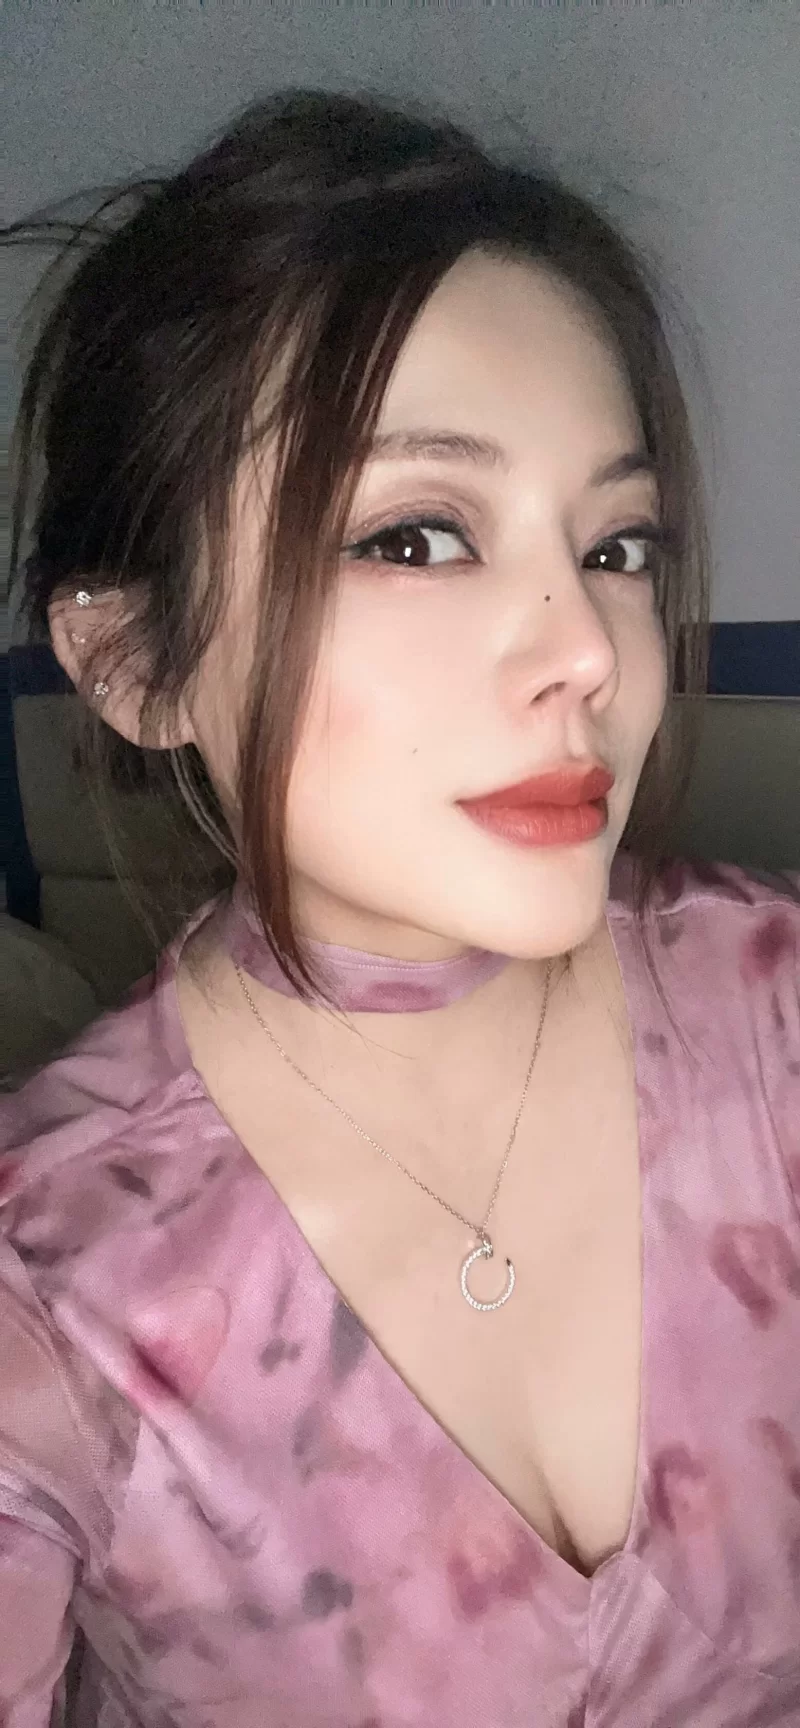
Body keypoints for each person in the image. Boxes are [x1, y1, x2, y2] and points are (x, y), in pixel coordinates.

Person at [1, 89, 798, 1728]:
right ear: (137, 663)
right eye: (420, 538)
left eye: (619, 547)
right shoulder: (52, 1287)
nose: (586, 650)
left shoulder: (771, 1012)